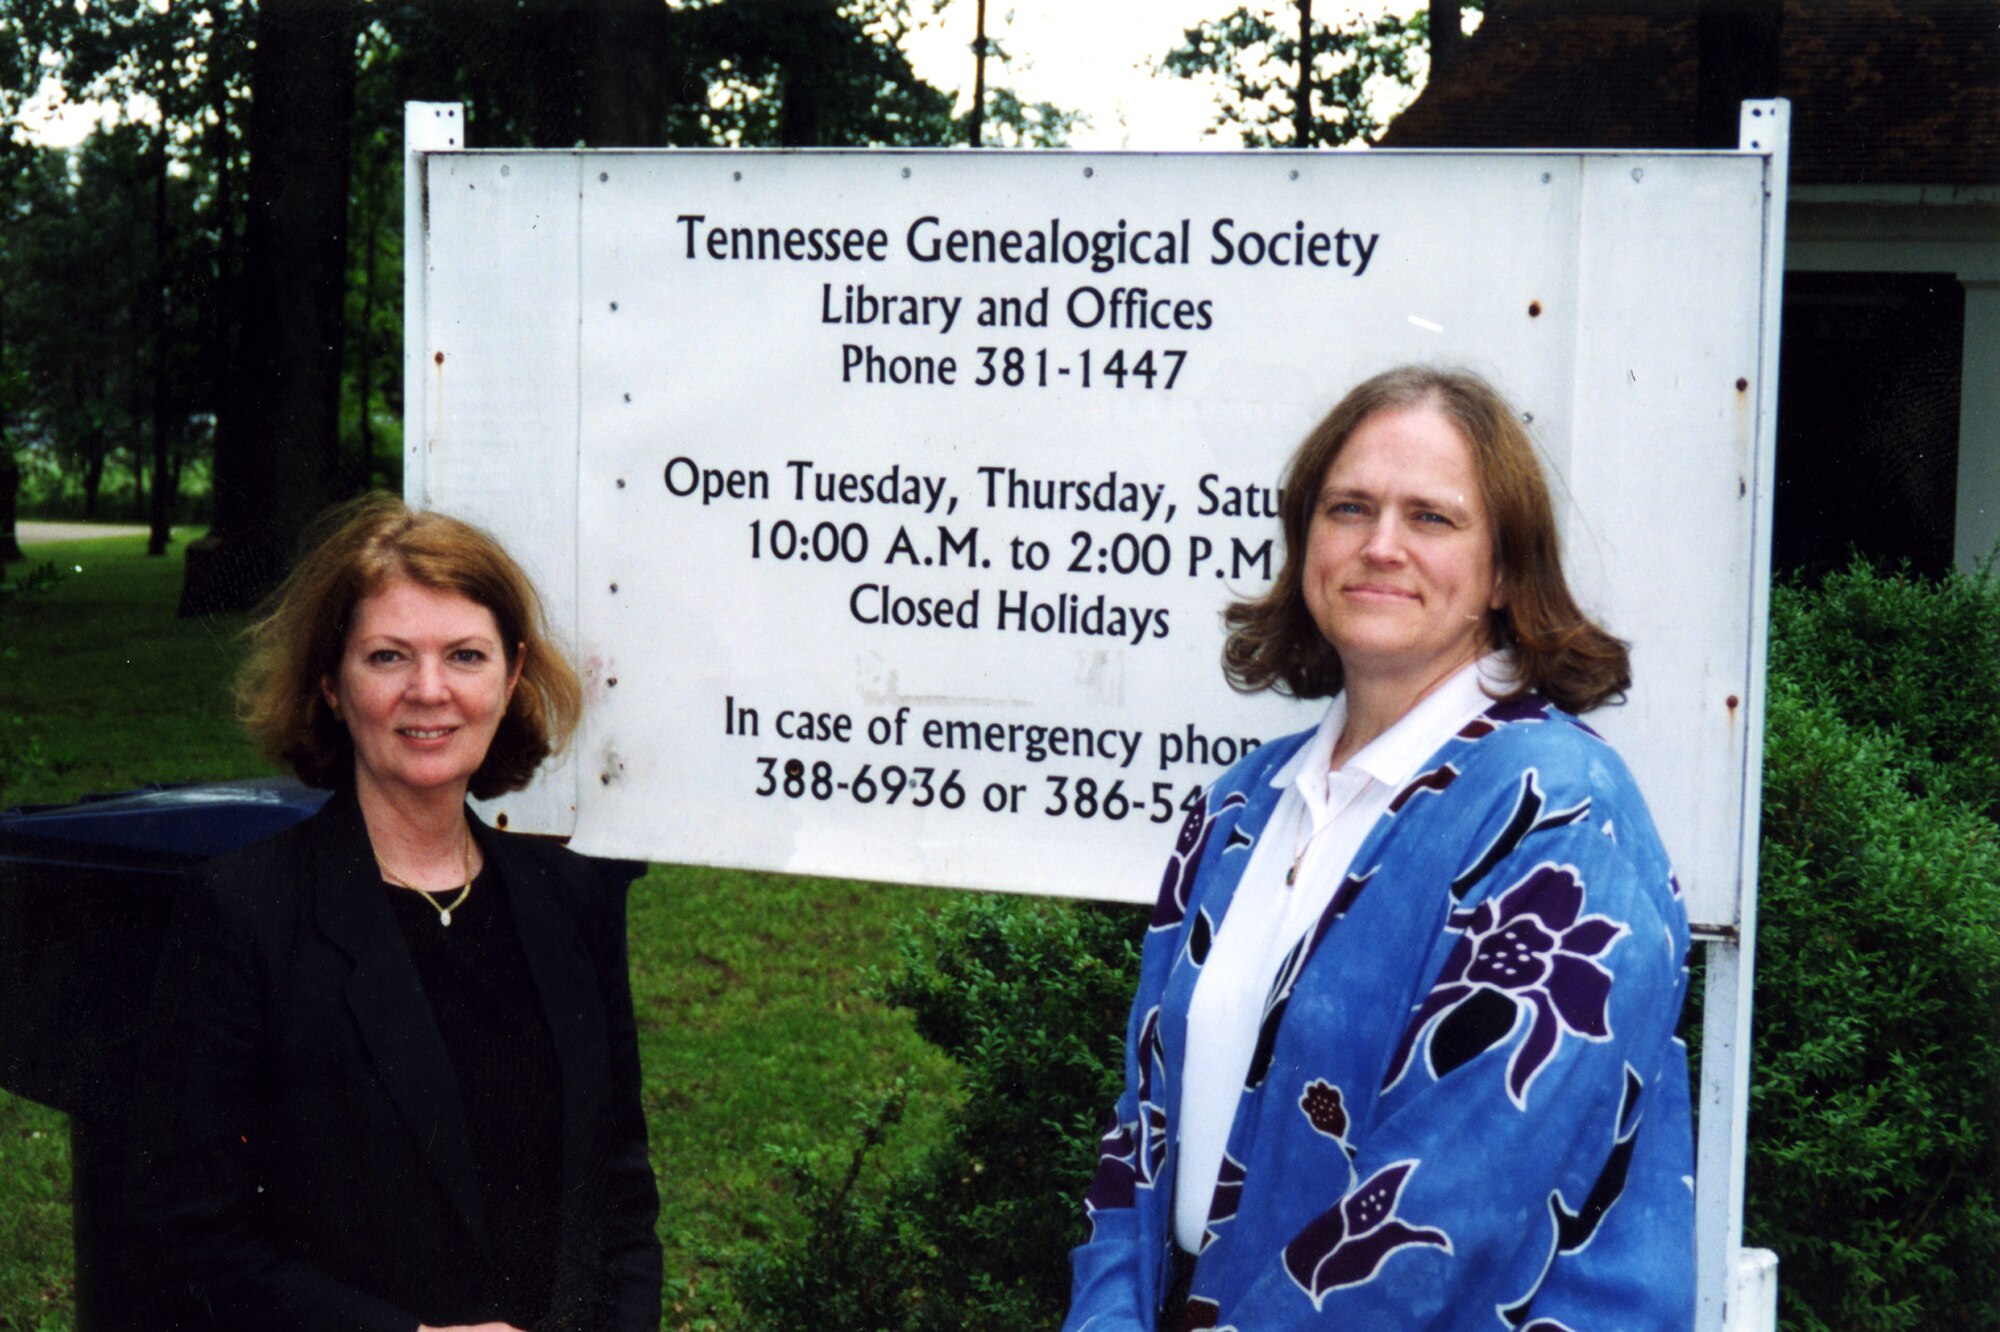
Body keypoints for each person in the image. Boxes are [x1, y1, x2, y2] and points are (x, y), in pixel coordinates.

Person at [1062, 367, 1694, 1330]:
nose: (1381, 545)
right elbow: (1140, 1140)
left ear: (1504, 573)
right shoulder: (1236, 812)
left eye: (1431, 518)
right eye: (1348, 507)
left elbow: (1447, 1216)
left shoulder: (1563, 816)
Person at [133, 495, 661, 1332]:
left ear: (512, 676)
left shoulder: (575, 898)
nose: (430, 691)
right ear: (331, 683)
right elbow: (191, 1240)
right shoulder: (246, 915)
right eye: (387, 656)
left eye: (465, 655)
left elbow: (620, 1200)